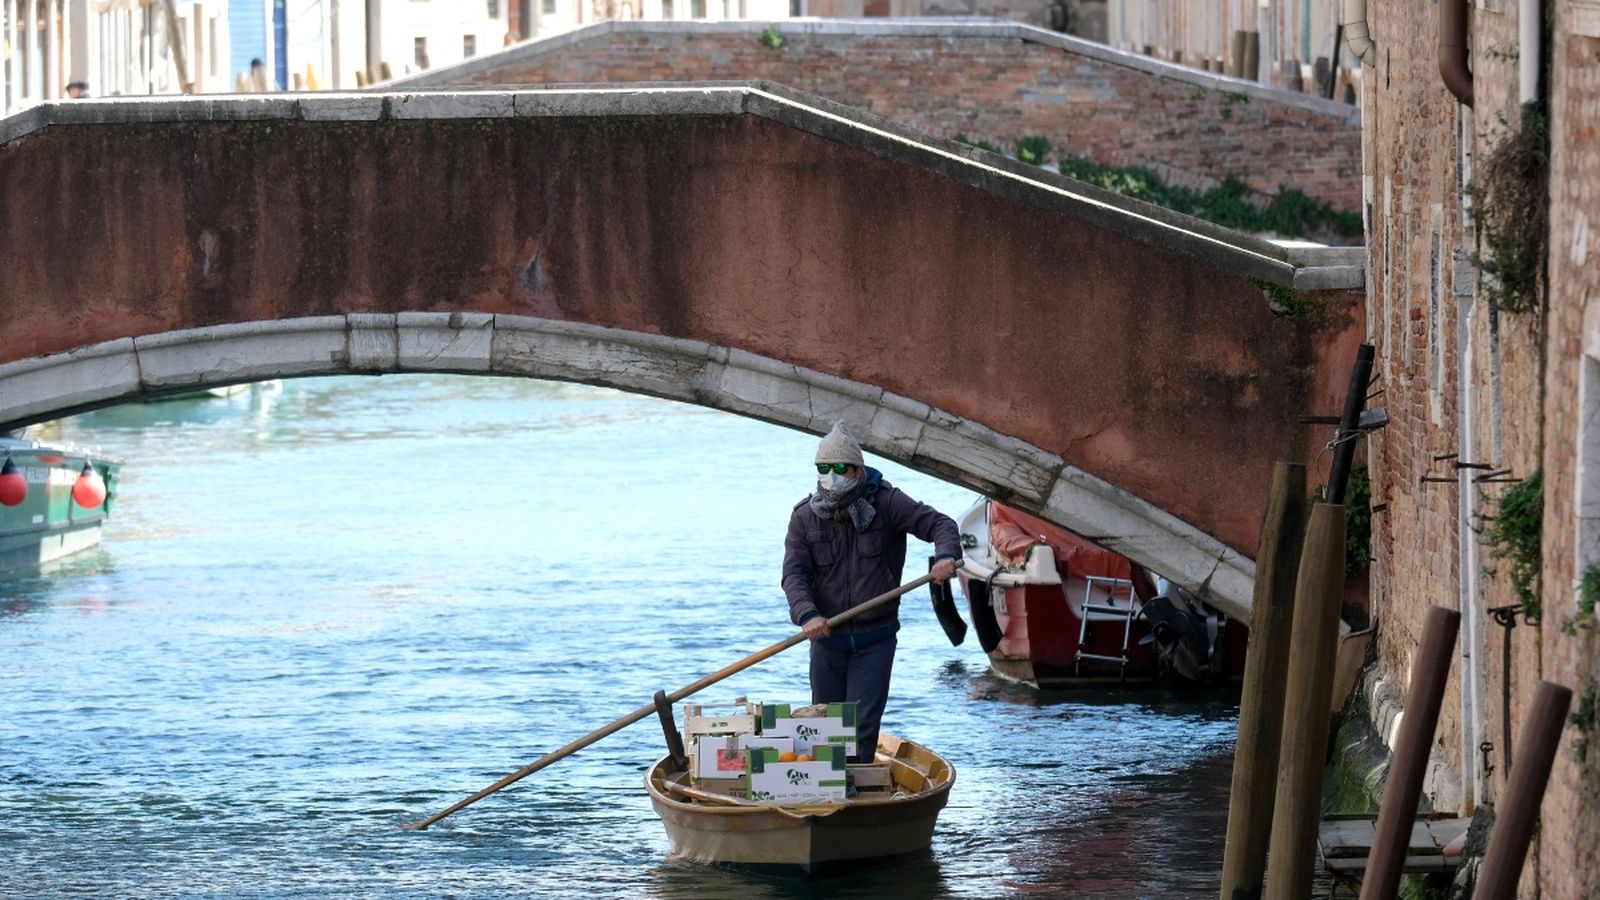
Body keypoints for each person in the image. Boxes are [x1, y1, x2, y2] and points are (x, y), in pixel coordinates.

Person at [781, 422, 962, 763]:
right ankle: (825, 794)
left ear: (857, 469)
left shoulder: (888, 502)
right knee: (825, 728)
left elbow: (941, 525)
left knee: (861, 729)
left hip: (874, 637)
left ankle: (856, 793)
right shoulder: (804, 517)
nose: (830, 476)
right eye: (823, 469)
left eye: (838, 468)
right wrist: (807, 614)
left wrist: (946, 556)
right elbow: (794, 574)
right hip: (827, 637)